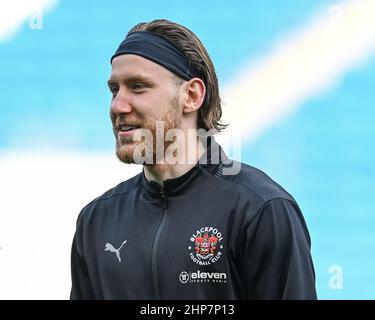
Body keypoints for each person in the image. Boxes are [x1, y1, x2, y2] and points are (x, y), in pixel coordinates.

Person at [70, 19, 317, 300]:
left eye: (138, 86)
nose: (118, 105)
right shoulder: (96, 220)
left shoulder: (261, 209)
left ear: (192, 95)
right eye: (114, 90)